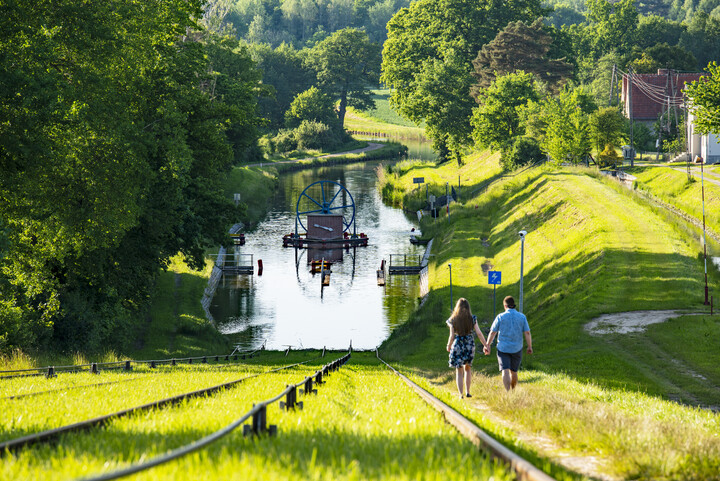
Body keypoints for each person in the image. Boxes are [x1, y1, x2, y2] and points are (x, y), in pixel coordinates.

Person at [484, 295, 532, 391]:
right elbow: (527, 332)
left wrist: (487, 345)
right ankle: (513, 391)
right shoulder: (522, 317)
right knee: (514, 372)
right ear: (514, 305)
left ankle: (507, 392)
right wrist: (529, 346)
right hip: (517, 348)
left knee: (505, 371)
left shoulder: (500, 317)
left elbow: (493, 332)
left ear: (505, 306)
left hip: (503, 348)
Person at [446, 298, 488, 399]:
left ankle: (460, 394)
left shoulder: (453, 319)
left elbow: (452, 336)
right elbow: (478, 333)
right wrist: (486, 344)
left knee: (459, 370)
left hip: (458, 345)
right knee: (468, 369)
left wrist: (449, 345)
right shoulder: (472, 318)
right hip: (469, 345)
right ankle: (468, 392)